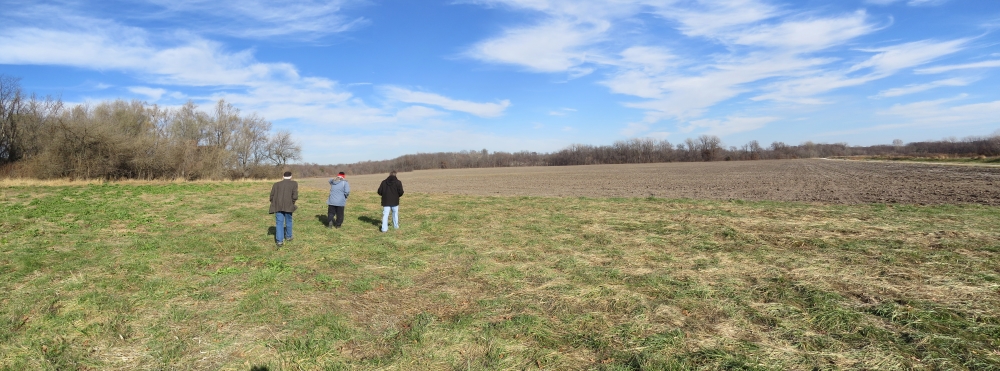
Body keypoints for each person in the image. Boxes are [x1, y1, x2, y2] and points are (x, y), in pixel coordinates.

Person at [269, 171, 298, 247]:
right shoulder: (294, 183)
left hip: (278, 206)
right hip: (289, 206)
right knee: (288, 221)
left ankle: (279, 241)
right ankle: (288, 236)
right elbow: (295, 196)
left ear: (283, 176)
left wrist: (275, 203)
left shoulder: (276, 184)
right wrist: (292, 203)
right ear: (291, 176)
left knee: (279, 223)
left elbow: (271, 196)